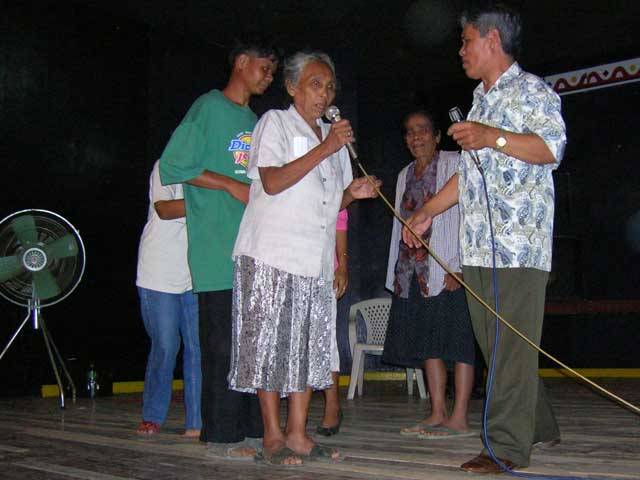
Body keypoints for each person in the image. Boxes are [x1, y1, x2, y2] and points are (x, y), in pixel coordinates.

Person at [403, 5, 566, 474]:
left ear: (492, 40)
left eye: (466, 40)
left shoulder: (532, 90)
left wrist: (493, 136)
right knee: (498, 347)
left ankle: (507, 447)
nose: (460, 50)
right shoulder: (479, 101)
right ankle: (539, 424)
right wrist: (427, 211)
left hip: (518, 247)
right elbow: (471, 176)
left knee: (508, 348)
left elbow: (551, 148)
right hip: (477, 246)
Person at [228, 51, 380, 466]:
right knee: (268, 344)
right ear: (292, 87)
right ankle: (272, 436)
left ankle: (297, 433)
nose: (324, 94)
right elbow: (273, 181)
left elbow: (332, 203)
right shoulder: (275, 123)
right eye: (315, 84)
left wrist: (353, 193)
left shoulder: (334, 140)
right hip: (271, 253)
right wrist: (326, 147)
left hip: (314, 259)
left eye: (329, 87)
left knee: (308, 346)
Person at [159, 37, 278, 459]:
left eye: (273, 71)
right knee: (222, 347)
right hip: (215, 250)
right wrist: (228, 184)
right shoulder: (208, 108)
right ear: (241, 62)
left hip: (252, 250)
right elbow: (174, 164)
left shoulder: (255, 120)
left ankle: (251, 431)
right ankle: (222, 436)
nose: (269, 76)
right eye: (264, 66)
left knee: (251, 347)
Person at [383, 110, 475, 439]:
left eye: (423, 130)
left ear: (437, 136)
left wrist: (460, 266)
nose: (416, 137)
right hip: (413, 272)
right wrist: (396, 272)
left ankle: (459, 417)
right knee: (428, 345)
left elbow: (471, 217)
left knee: (459, 344)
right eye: (410, 132)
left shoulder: (456, 163)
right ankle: (437, 413)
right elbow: (400, 223)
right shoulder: (404, 174)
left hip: (449, 268)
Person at [135, 160, 201, 438]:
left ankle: (197, 421)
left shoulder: (210, 168)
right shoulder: (166, 165)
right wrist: (213, 201)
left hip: (197, 271)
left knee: (198, 346)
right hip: (159, 271)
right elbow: (164, 209)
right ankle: (152, 414)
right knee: (165, 345)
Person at [317, 208, 348, 436]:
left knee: (325, 339)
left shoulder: (334, 187)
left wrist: (343, 266)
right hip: (290, 260)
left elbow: (340, 219)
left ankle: (332, 404)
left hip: (325, 267)